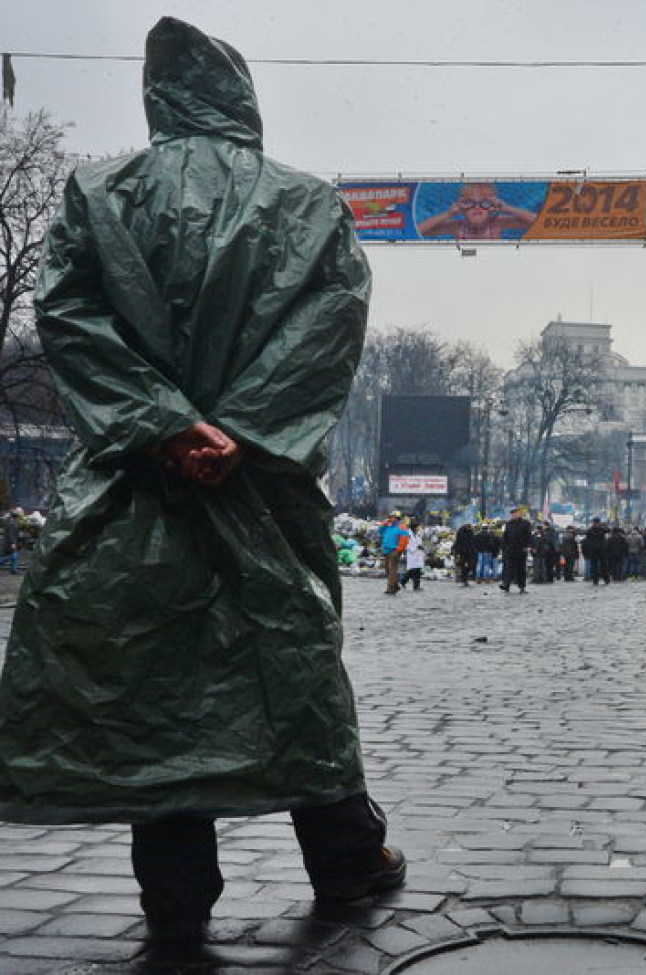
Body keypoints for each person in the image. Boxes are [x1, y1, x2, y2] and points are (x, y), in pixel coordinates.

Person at [0, 18, 403, 947]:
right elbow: (329, 330)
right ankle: (348, 860)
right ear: (242, 99)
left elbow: (68, 316)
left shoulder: (101, 194)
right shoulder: (309, 206)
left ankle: (176, 901)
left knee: (156, 686)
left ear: (158, 102)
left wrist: (166, 426)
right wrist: (246, 432)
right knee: (295, 668)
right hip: (262, 486)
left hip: (131, 487)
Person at [416, 182, 538, 240]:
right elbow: (417, 231)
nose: (477, 207)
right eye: (470, 203)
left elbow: (538, 222)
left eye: (484, 203)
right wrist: (448, 214)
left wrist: (507, 208)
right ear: (462, 210)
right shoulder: (457, 227)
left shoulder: (497, 224)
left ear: (492, 209)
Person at [499, 506, 531, 593]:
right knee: (509, 568)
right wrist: (504, 548)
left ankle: (522, 587)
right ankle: (506, 585)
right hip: (510, 550)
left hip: (521, 549)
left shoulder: (525, 523)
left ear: (519, 514)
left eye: (515, 513)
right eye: (512, 514)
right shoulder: (508, 524)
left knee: (521, 569)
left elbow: (528, 536)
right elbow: (505, 537)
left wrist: (528, 546)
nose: (513, 515)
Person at [379, 511, 409, 595]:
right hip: (386, 550)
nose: (389, 519)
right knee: (387, 569)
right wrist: (385, 523)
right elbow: (380, 530)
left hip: (394, 550)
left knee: (392, 569)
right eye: (389, 517)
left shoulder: (402, 527)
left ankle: (391, 588)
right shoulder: (388, 526)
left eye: (391, 517)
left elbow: (404, 539)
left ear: (396, 518)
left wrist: (399, 549)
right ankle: (395, 585)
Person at [582, 517, 610, 585]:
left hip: (593, 551)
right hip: (602, 550)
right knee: (603, 566)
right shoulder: (602, 529)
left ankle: (595, 580)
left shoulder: (590, 530)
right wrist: (603, 525)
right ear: (599, 522)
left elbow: (586, 540)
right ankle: (606, 579)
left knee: (594, 566)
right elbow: (608, 530)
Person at [400, 526, 426, 591]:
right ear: (413, 528)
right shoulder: (408, 535)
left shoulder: (417, 535)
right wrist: (416, 548)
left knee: (418, 571)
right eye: (417, 528)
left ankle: (416, 586)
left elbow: (419, 543)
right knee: (412, 571)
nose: (418, 529)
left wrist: (421, 547)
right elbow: (407, 546)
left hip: (418, 555)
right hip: (412, 554)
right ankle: (403, 581)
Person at [0, 509, 20, 574]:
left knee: (13, 556)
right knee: (11, 556)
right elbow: (11, 535)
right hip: (9, 543)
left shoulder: (13, 523)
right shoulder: (12, 523)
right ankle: (14, 570)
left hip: (9, 543)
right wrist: (13, 543)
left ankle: (14, 570)